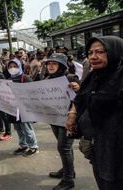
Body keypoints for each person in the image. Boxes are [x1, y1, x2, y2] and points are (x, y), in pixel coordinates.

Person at [66, 36, 123, 190]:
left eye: (100, 52)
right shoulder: (94, 75)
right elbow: (81, 97)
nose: (93, 57)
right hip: (96, 146)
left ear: (114, 52)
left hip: (116, 148)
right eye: (90, 52)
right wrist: (72, 114)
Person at [44, 53, 80, 190]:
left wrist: (78, 87)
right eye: (49, 63)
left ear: (62, 66)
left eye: (54, 63)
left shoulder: (70, 78)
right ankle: (68, 170)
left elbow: (83, 96)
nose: (51, 65)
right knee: (66, 148)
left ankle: (68, 180)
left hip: (68, 120)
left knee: (63, 148)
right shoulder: (47, 79)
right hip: (54, 119)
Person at [7, 59, 39, 156]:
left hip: (25, 109)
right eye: (10, 67)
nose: (12, 68)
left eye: (15, 66)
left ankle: (33, 147)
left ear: (20, 67)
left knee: (27, 128)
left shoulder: (25, 78)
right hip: (13, 109)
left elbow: (34, 93)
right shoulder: (8, 80)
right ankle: (23, 145)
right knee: (18, 128)